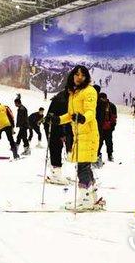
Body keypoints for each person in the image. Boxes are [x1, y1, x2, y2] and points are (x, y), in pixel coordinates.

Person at [50, 65, 103, 210]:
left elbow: (90, 112)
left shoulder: (89, 91)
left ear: (86, 77)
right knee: (85, 166)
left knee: (82, 167)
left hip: (89, 134)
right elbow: (70, 115)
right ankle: (92, 197)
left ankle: (85, 199)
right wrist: (58, 120)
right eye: (77, 74)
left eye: (83, 75)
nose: (79, 77)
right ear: (72, 76)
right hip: (79, 134)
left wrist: (83, 118)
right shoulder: (74, 93)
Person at [44, 90, 72, 185]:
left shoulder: (63, 97)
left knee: (56, 147)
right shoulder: (63, 100)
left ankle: (55, 171)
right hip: (54, 125)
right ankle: (56, 174)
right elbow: (62, 118)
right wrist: (63, 134)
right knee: (56, 147)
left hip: (55, 124)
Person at [97, 93, 117, 162]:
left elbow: (114, 117)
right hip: (99, 128)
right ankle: (97, 155)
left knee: (109, 142)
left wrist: (112, 126)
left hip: (108, 128)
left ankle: (110, 155)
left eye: (102, 98)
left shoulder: (111, 106)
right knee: (99, 143)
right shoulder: (97, 105)